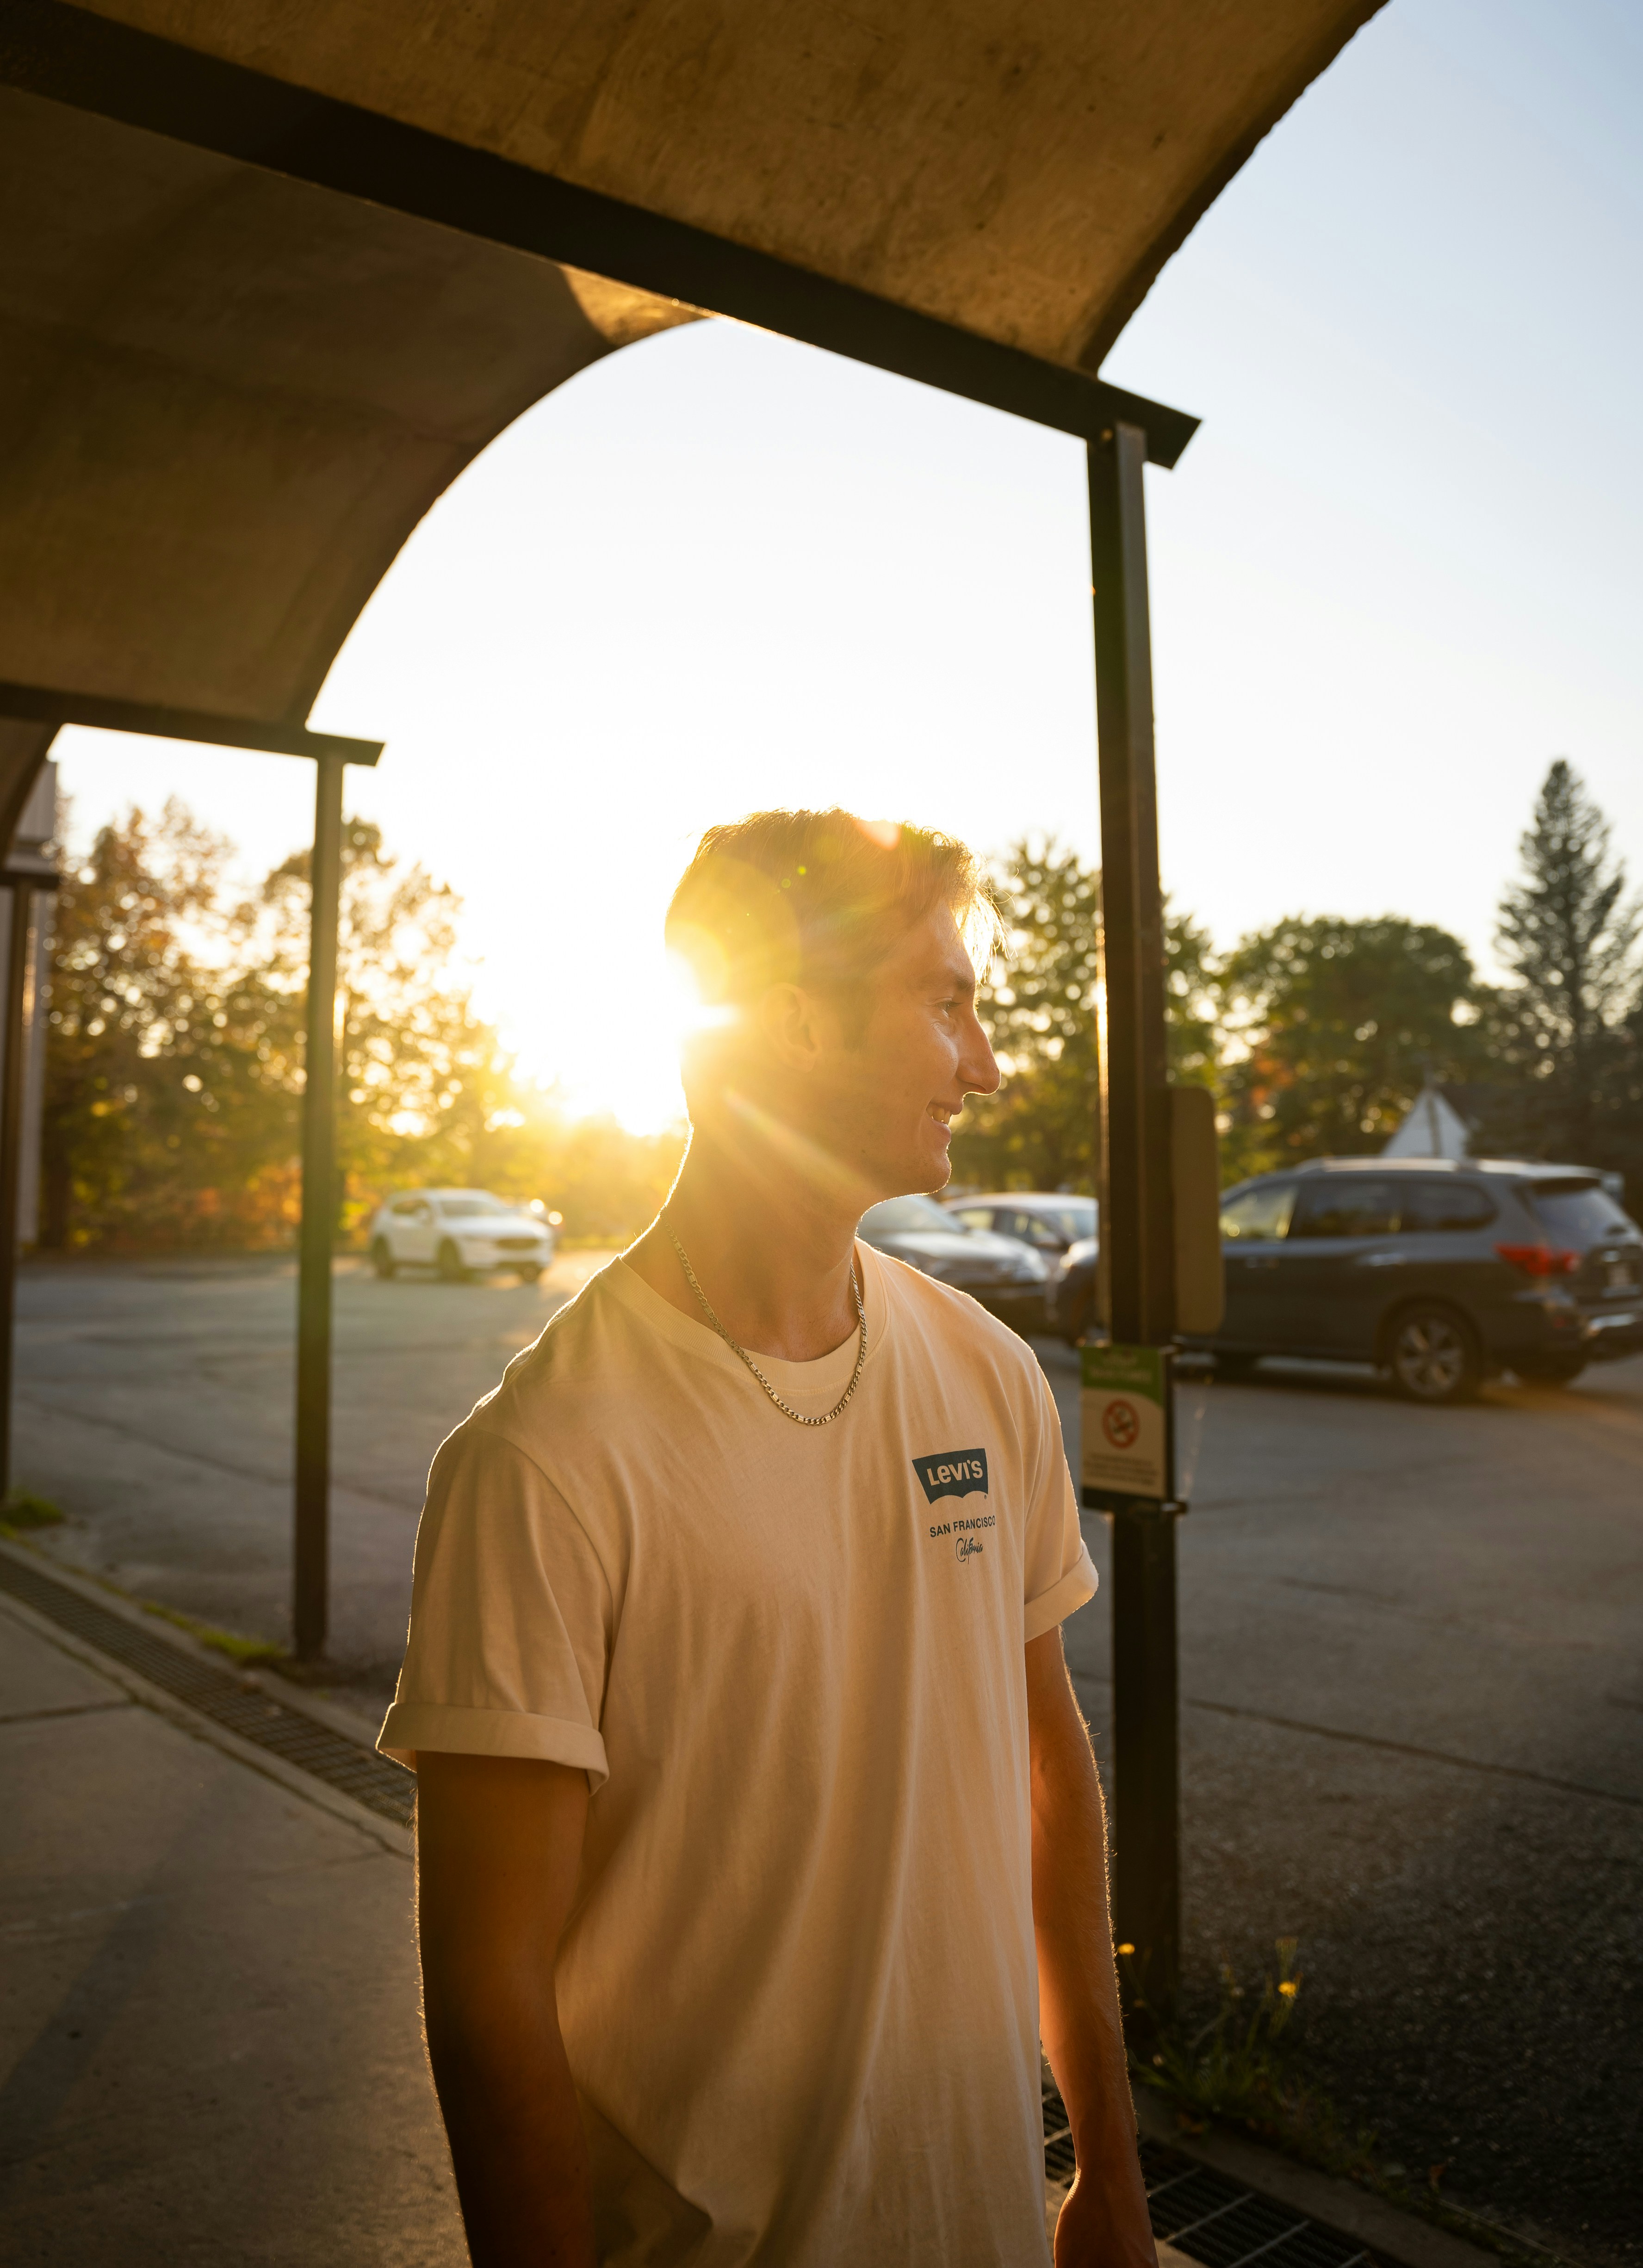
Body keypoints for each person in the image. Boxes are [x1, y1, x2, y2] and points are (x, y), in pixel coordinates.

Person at [380, 809, 1157, 2268]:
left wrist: (1108, 2168)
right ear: (794, 1022)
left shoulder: (987, 1376)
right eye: (948, 1003)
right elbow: (491, 2001)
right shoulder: (541, 1462)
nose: (983, 1064)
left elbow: (1051, 1780)